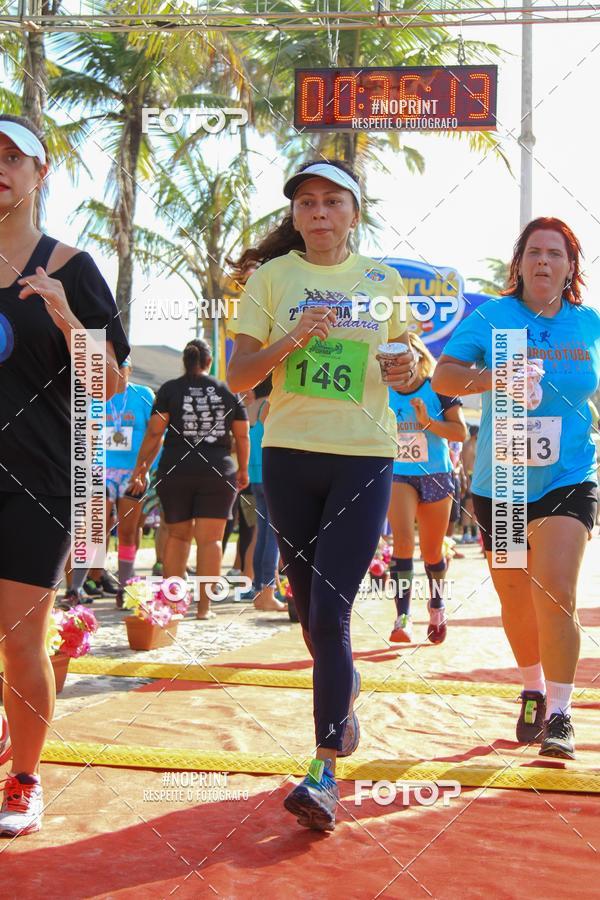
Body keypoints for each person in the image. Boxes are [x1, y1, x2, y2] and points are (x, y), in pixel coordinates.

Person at [227, 159, 415, 831]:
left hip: (364, 453)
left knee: (331, 613)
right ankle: (347, 694)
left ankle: (324, 772)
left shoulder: (381, 280)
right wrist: (291, 339)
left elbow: (407, 365)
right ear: (296, 215)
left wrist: (407, 367)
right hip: (289, 454)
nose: (318, 212)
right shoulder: (272, 280)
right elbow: (239, 373)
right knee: (307, 615)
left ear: (353, 213)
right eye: (306, 202)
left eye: (332, 201)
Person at [0, 114, 129, 836]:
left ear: (40, 174)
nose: (2, 168)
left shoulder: (73, 267)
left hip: (42, 478)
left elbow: (108, 383)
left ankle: (24, 780)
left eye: (14, 157)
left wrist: (65, 317)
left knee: (21, 639)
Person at [432, 216, 600, 760]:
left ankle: (560, 712)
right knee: (515, 595)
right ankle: (530, 686)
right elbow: (445, 378)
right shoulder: (494, 318)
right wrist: (495, 376)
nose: (544, 262)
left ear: (571, 266)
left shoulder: (588, 325)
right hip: (500, 479)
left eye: (556, 253)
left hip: (569, 475)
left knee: (555, 590)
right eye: (534, 252)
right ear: (519, 262)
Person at [128, 339, 249, 619]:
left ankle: (173, 605)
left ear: (185, 361)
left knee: (178, 537)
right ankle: (204, 608)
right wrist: (242, 470)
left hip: (176, 470)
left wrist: (141, 468)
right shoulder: (227, 391)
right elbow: (241, 435)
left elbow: (155, 433)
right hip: (217, 472)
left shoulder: (171, 389)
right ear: (208, 362)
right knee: (211, 541)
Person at [387, 332, 467, 643]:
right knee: (403, 543)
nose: (397, 367)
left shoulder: (439, 387)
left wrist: (428, 423)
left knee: (433, 551)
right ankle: (402, 617)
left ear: (419, 358)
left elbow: (460, 433)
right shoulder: (383, 393)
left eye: (403, 359)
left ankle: (436, 605)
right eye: (392, 362)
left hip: (436, 475)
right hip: (399, 475)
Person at [247, 376, 286, 611]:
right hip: (270, 473)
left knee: (262, 534)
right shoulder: (268, 405)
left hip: (254, 475)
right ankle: (268, 590)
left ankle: (258, 588)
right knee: (273, 535)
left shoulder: (251, 407)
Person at [460, 425, 479, 542]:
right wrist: (467, 481)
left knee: (474, 508)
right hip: (470, 478)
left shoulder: (474, 445)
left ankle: (473, 533)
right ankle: (466, 533)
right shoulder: (468, 445)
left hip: (475, 477)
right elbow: (465, 466)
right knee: (468, 507)